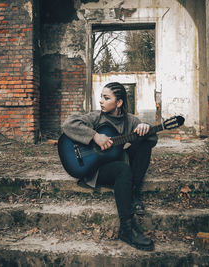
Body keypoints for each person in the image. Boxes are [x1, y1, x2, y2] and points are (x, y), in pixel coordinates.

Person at [62, 82, 157, 251]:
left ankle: (131, 196)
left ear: (118, 103)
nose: (101, 101)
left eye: (106, 98)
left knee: (143, 145)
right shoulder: (96, 117)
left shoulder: (131, 121)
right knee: (123, 169)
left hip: (116, 164)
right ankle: (127, 228)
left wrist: (146, 129)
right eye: (101, 97)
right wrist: (95, 136)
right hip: (95, 168)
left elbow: (151, 141)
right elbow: (68, 124)